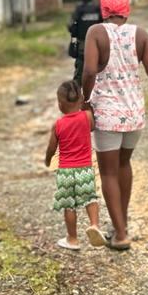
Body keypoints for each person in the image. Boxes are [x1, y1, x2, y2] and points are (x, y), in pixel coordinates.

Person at [82, 0, 148, 251]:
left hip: (108, 113)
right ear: (126, 11)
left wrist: (85, 100)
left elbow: (90, 70)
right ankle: (120, 224)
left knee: (108, 172)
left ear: (104, 11)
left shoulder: (96, 33)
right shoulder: (141, 34)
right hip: (134, 112)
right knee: (124, 165)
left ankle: (121, 233)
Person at [43, 80, 107, 250]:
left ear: (59, 104)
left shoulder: (58, 125)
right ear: (80, 100)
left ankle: (72, 239)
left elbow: (51, 148)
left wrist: (48, 160)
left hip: (65, 171)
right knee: (90, 198)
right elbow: (92, 127)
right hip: (84, 169)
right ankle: (94, 225)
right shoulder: (86, 117)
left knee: (69, 205)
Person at [66, 0, 101, 84]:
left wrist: (74, 38)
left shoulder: (79, 9)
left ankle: (77, 95)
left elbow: (71, 26)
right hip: (97, 46)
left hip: (83, 46)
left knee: (79, 75)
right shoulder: (97, 8)